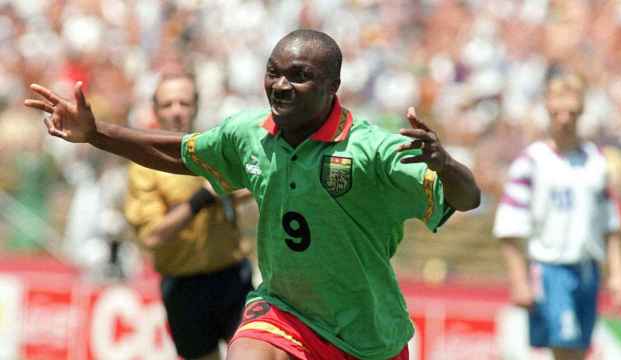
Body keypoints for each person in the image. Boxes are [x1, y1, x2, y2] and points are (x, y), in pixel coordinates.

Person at [25, 29, 480, 360]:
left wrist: (449, 165)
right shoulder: (248, 134)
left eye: (299, 76)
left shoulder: (371, 150)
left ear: (332, 86)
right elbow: (178, 153)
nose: (281, 85)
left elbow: (466, 198)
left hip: (367, 335)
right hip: (284, 311)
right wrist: (94, 133)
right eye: (273, 73)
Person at [493, 70, 621, 360]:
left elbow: (610, 223)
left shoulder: (596, 162)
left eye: (571, 110)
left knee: (578, 349)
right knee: (565, 348)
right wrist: (518, 278)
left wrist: (616, 273)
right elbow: (508, 225)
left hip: (587, 269)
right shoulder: (531, 162)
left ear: (581, 109)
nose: (565, 118)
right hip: (550, 268)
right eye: (558, 109)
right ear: (547, 108)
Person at [123, 71, 253, 360]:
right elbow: (152, 236)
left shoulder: (215, 150)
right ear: (155, 110)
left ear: (196, 106)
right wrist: (201, 199)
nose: (177, 111)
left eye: (184, 103)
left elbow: (244, 189)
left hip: (233, 277)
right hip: (184, 286)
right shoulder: (144, 166)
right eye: (168, 104)